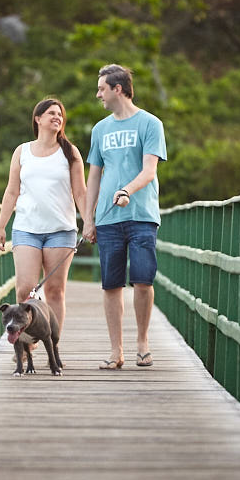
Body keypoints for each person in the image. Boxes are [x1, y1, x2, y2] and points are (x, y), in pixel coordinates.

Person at [82, 64, 167, 370]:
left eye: (102, 88)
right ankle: (115, 350)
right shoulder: (100, 129)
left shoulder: (150, 124)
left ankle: (142, 343)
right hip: (107, 220)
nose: (98, 94)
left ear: (118, 89)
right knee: (111, 285)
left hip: (142, 215)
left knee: (143, 280)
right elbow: (93, 177)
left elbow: (149, 170)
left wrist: (127, 190)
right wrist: (87, 219)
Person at [0, 98, 87, 347]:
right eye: (51, 113)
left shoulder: (70, 152)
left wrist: (89, 221)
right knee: (25, 289)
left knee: (55, 290)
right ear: (38, 119)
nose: (57, 117)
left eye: (60, 114)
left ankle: (52, 345)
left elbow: (80, 192)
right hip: (26, 228)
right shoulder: (22, 151)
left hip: (61, 230)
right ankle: (26, 342)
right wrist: (1, 226)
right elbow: (12, 191)